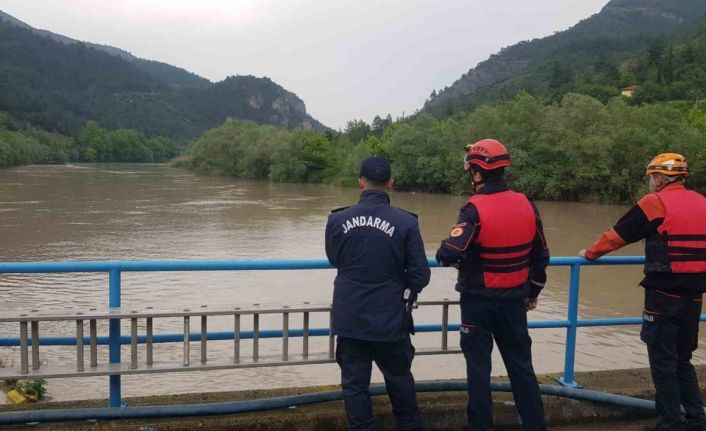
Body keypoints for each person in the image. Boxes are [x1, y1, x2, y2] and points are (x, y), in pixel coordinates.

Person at [579, 153, 706, 431]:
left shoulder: (654, 202)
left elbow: (618, 235)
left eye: (651, 177)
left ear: (660, 178)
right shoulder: (702, 202)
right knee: (683, 361)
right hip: (695, 297)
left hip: (663, 298)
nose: (650, 182)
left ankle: (670, 424)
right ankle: (697, 419)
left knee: (663, 364)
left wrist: (589, 253)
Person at [436, 139, 549, 431]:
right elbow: (542, 255)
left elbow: (450, 253)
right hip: (515, 300)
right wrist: (532, 291)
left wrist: (444, 246)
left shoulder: (473, 209)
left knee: (479, 371)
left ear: (476, 173)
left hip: (478, 303)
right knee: (522, 369)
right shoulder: (527, 203)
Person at [325, 156, 431, 431]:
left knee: (355, 387)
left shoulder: (337, 220)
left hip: (351, 319)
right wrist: (397, 286)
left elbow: (335, 259)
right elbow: (421, 274)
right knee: (399, 380)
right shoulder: (406, 222)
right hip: (390, 320)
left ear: (360, 182)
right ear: (391, 183)